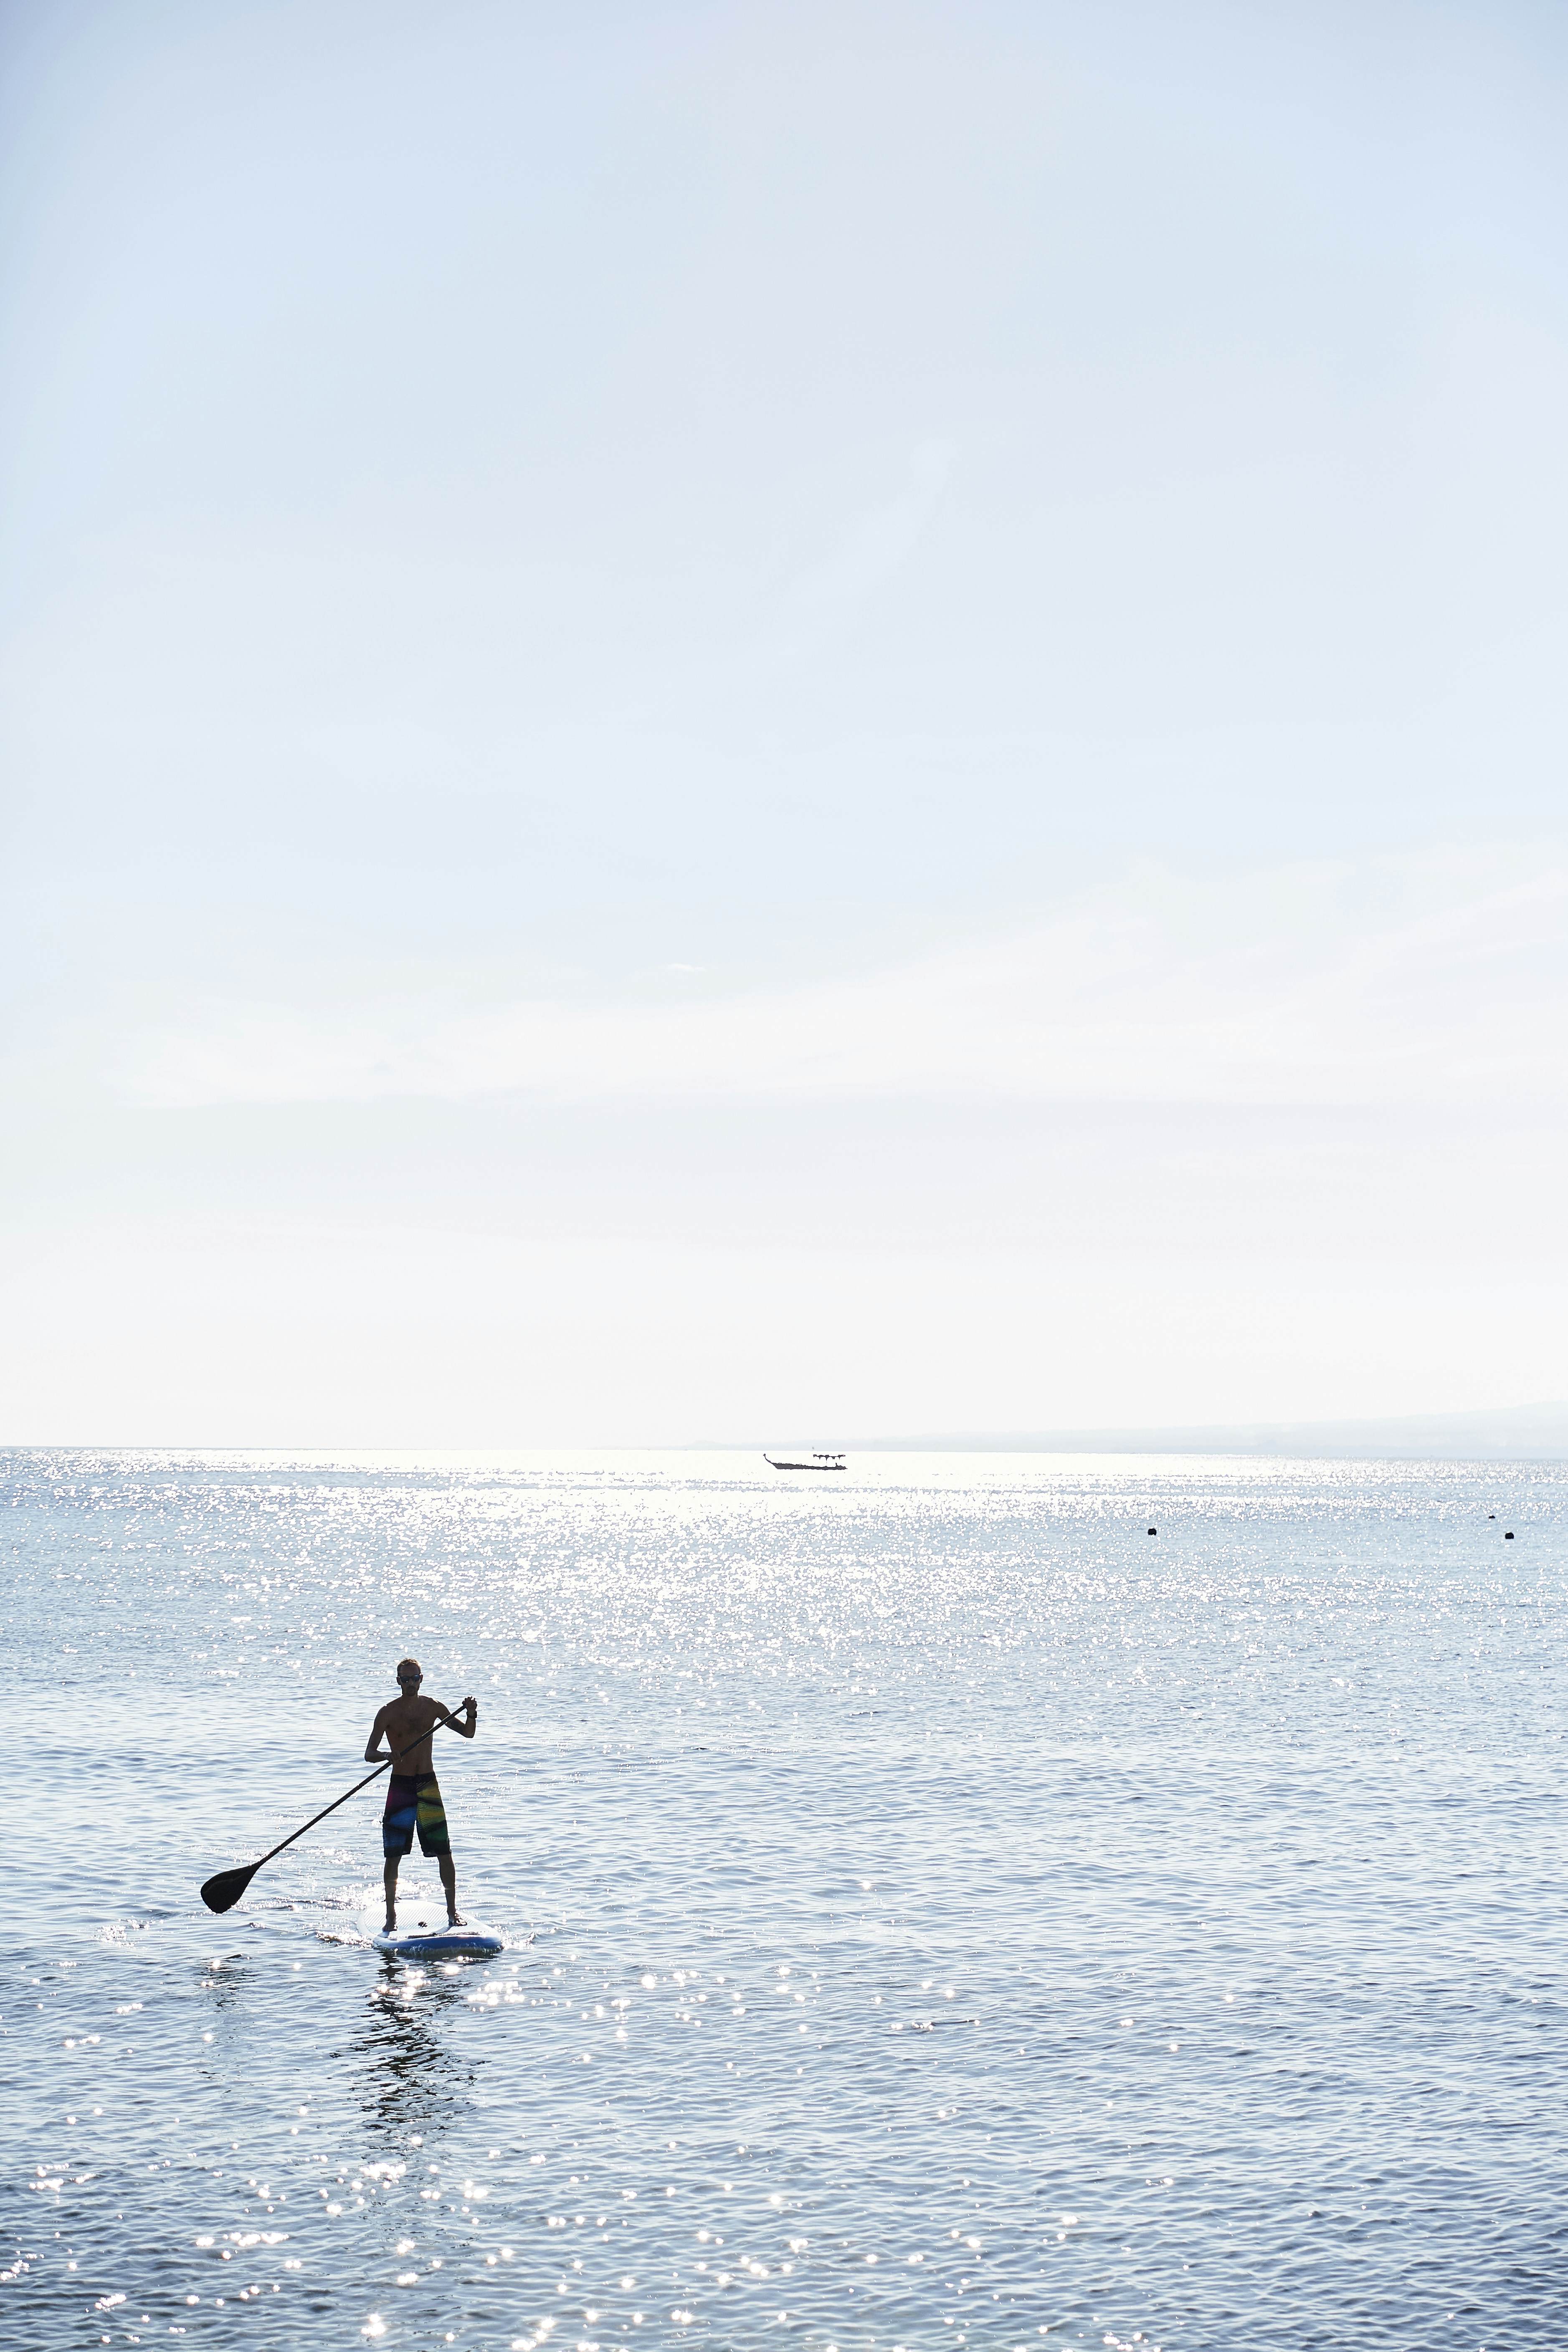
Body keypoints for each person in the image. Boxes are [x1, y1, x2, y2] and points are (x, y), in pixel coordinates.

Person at [365, 1658, 477, 1932]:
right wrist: (386, 1755)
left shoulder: (433, 1707)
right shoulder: (387, 1713)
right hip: (401, 1786)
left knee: (444, 1851)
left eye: (414, 1679)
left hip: (428, 1785)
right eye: (405, 1680)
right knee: (394, 1854)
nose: (410, 1684)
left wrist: (472, 1713)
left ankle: (452, 1912)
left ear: (421, 1679)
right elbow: (369, 1754)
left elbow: (468, 1733)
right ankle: (390, 1917)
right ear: (398, 1681)